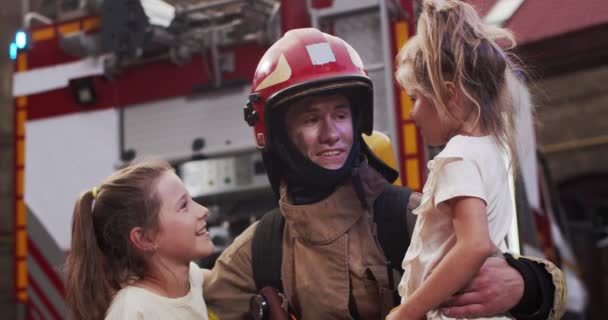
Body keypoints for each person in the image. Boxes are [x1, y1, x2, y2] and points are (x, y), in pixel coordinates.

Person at [204, 28, 565, 319]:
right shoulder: (258, 251)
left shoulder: (407, 216)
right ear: (279, 133)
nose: (332, 133)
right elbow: (177, 298)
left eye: (341, 115)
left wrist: (524, 285)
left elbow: (531, 285)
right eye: (311, 118)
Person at [386, 1, 564, 320]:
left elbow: (474, 245)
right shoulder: (491, 151)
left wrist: (405, 312)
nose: (412, 113)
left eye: (415, 99)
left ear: (450, 94)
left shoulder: (457, 157)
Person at [65, 160, 215, 320]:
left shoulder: (192, 279)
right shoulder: (132, 311)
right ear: (145, 239)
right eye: (183, 205)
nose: (203, 211)